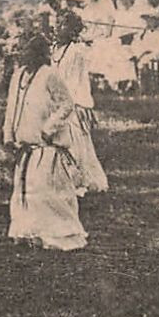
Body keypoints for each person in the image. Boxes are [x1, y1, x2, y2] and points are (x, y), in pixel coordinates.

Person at [2, 32, 88, 251]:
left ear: (37, 53)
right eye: (18, 49)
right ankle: (29, 231)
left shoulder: (49, 75)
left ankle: (59, 233)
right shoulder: (18, 76)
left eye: (24, 50)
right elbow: (12, 107)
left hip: (46, 148)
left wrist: (49, 128)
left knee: (45, 190)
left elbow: (66, 104)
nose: (19, 54)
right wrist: (9, 136)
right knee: (26, 191)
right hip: (25, 146)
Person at [50, 10, 108, 195]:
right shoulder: (54, 50)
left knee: (74, 143)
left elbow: (77, 81)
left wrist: (73, 103)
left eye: (63, 25)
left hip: (72, 102)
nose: (58, 28)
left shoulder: (76, 52)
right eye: (57, 24)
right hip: (55, 100)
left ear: (73, 30)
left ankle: (77, 179)